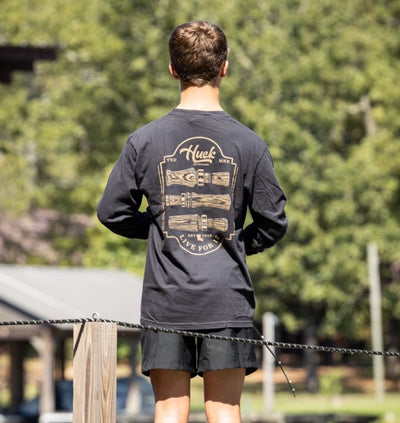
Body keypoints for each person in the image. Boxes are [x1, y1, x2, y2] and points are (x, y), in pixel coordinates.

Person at [97, 20, 288, 423]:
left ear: (172, 69)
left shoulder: (144, 140)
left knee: (169, 410)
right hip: (227, 298)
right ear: (224, 68)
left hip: (166, 300)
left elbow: (111, 212)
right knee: (225, 411)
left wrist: (159, 228)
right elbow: (273, 221)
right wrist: (234, 242)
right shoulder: (250, 143)